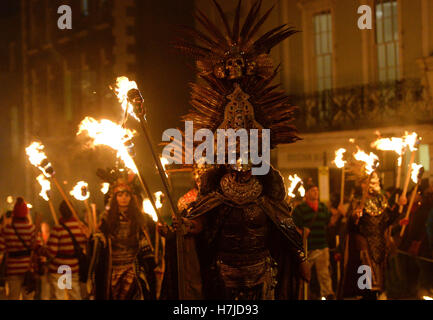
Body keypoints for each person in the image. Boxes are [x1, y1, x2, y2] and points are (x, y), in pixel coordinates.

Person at [90, 168, 158, 300]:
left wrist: (150, 263)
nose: (123, 198)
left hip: (132, 270)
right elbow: (99, 242)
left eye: (126, 195)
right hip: (112, 271)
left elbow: (145, 244)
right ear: (115, 198)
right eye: (120, 195)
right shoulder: (106, 219)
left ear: (131, 198)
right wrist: (98, 239)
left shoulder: (139, 218)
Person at [339, 171, 407, 300]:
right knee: (365, 284)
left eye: (377, 181)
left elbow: (388, 220)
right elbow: (351, 226)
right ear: (364, 184)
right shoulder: (358, 200)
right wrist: (354, 217)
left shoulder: (381, 199)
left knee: (379, 286)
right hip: (364, 247)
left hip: (380, 246)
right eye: (372, 181)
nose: (376, 184)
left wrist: (399, 206)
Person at [292, 181, 339, 300]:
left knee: (324, 273)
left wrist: (338, 214)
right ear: (307, 194)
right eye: (313, 191)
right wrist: (302, 232)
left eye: (317, 190)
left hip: (322, 246)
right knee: (305, 274)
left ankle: (327, 294)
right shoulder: (300, 209)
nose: (316, 192)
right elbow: (293, 227)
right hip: (308, 248)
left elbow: (330, 222)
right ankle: (302, 295)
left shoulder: (323, 207)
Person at [45, 201, 88, 300]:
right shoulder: (80, 227)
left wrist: (42, 250)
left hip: (61, 268)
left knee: (60, 296)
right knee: (74, 295)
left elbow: (52, 252)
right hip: (74, 267)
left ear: (61, 212)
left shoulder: (58, 228)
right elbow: (86, 243)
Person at [0, 197, 41, 300]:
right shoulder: (32, 229)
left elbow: (1, 248)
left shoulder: (6, 230)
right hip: (28, 268)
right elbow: (38, 248)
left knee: (13, 296)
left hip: (12, 269)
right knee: (28, 297)